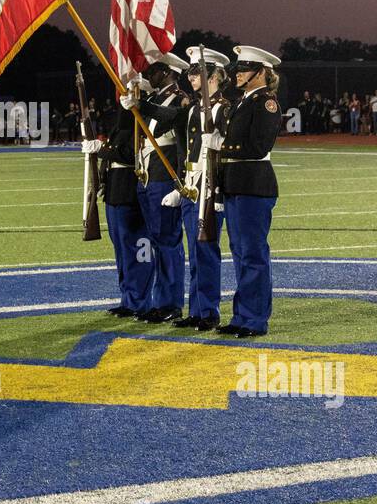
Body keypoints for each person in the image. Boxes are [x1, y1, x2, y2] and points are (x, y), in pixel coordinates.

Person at [217, 45, 283, 338]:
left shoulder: (265, 103)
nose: (238, 73)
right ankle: (242, 314)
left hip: (253, 184)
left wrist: (221, 146)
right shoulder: (243, 101)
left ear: (261, 73)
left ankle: (255, 319)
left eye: (244, 69)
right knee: (240, 253)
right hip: (236, 183)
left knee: (253, 254)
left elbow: (258, 147)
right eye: (238, 68)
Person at [120, 52, 190, 323]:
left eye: (155, 70)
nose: (149, 74)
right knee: (157, 242)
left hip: (164, 175)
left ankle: (170, 303)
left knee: (168, 241)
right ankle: (158, 300)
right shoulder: (153, 98)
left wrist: (142, 105)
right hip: (147, 175)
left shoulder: (181, 98)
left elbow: (171, 117)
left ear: (169, 72)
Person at [174, 47, 230, 330]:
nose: (190, 77)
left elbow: (224, 149)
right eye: (190, 72)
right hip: (192, 186)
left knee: (206, 249)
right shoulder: (194, 107)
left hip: (209, 187)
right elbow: (192, 150)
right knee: (194, 252)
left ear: (214, 76)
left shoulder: (223, 108)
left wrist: (217, 191)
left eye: (196, 72)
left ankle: (209, 311)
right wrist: (183, 185)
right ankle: (196, 309)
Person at [83, 107, 153, 318]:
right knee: (122, 251)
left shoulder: (140, 124)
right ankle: (128, 299)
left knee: (136, 251)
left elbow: (130, 154)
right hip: (114, 192)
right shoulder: (120, 127)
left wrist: (101, 148)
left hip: (129, 193)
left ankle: (139, 301)